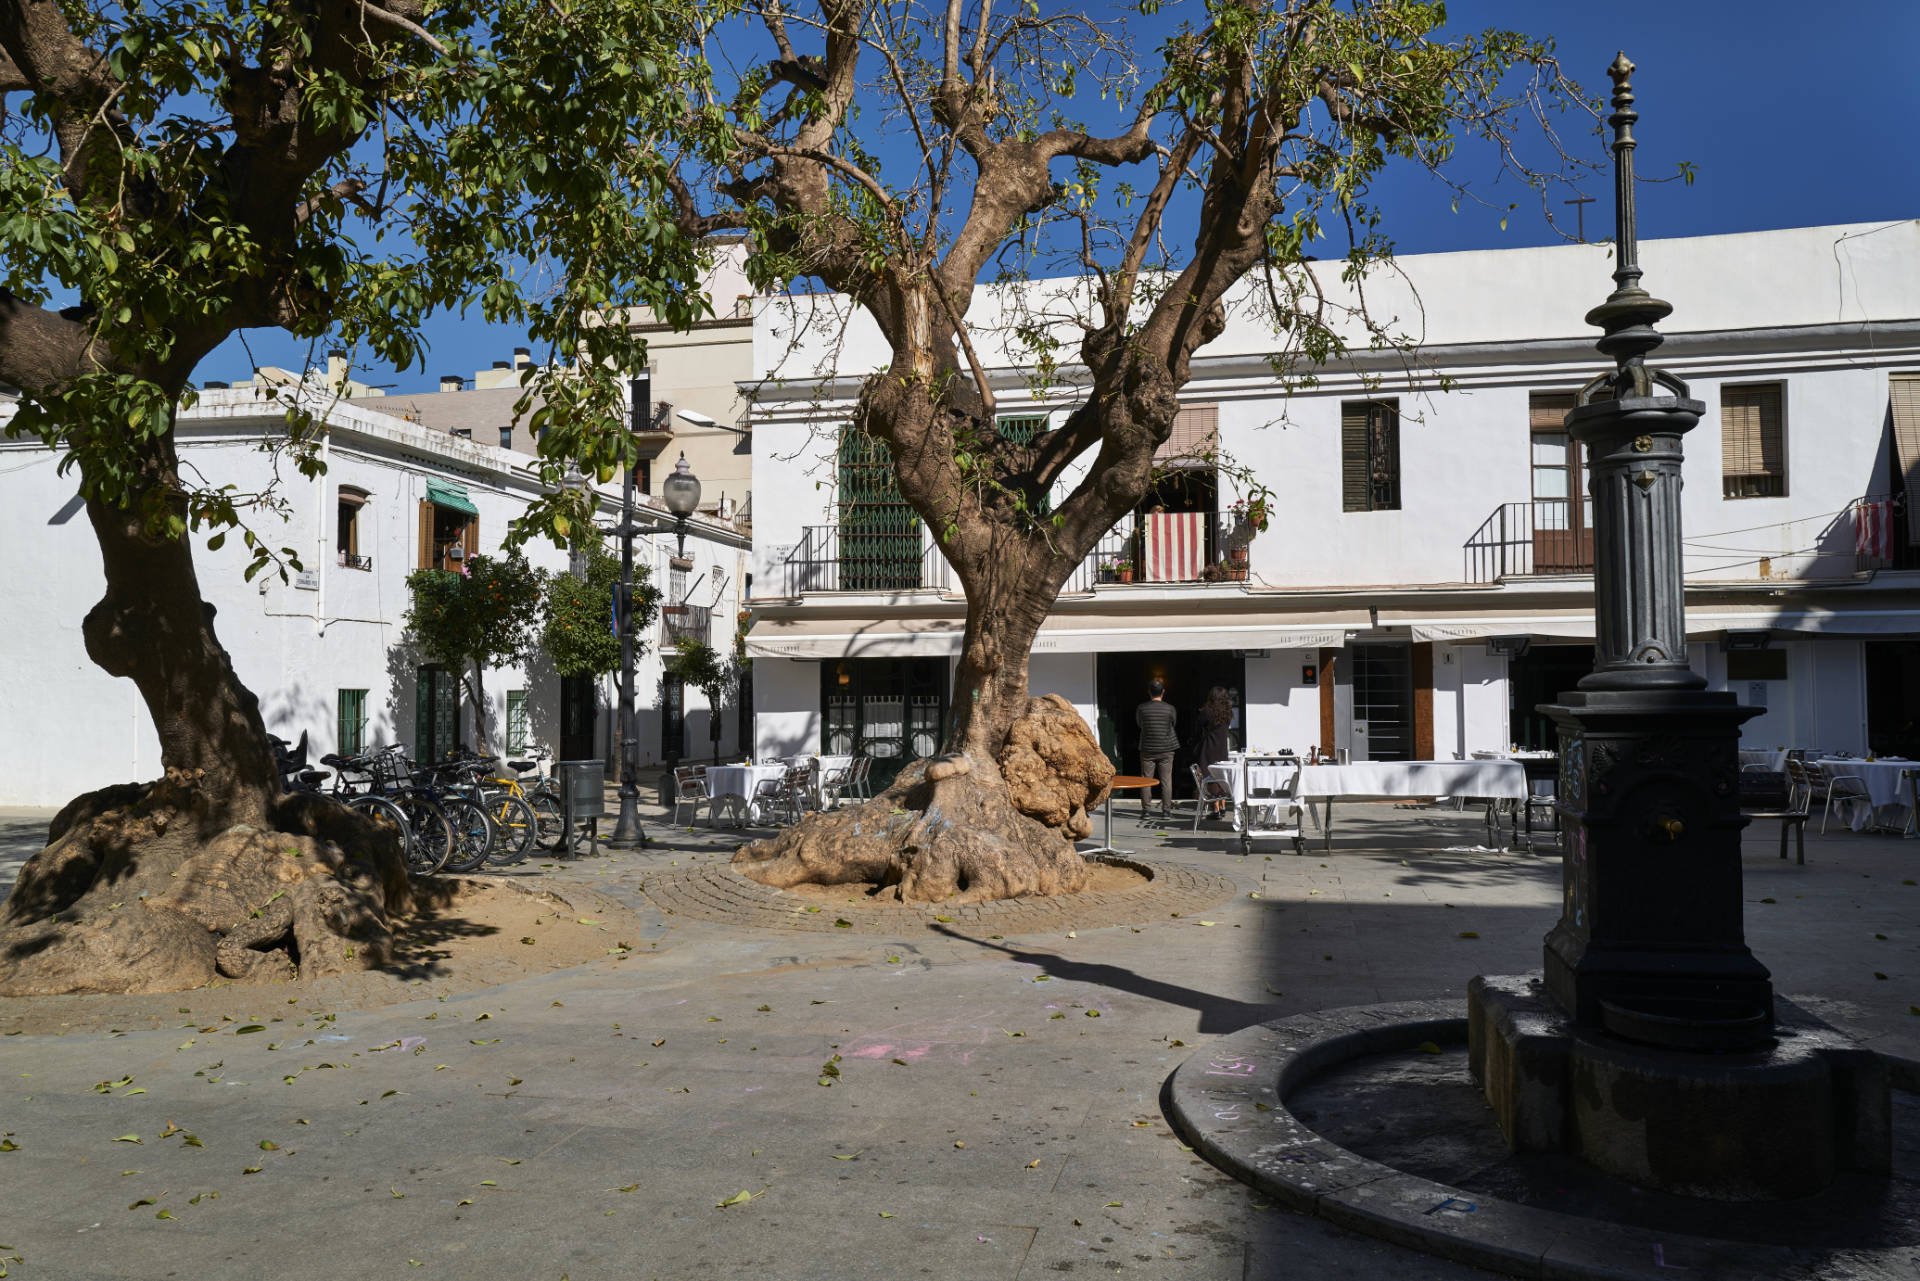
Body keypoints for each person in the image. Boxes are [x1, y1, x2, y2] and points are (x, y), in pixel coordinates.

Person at [1135, 679, 1179, 820]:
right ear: (1163, 692)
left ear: (1149, 692)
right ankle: (1166, 811)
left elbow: (1140, 725)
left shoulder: (1142, 708)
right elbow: (1173, 723)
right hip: (1167, 748)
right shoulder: (1170, 708)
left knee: (1146, 779)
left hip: (1147, 748)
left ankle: (1146, 811)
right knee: (1166, 780)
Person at [1200, 686, 1234, 816]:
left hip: (1209, 747)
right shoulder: (1228, 713)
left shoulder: (1207, 711)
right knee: (1221, 776)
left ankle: (1215, 808)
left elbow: (1199, 726)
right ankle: (1223, 805)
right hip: (1222, 748)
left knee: (1210, 776)